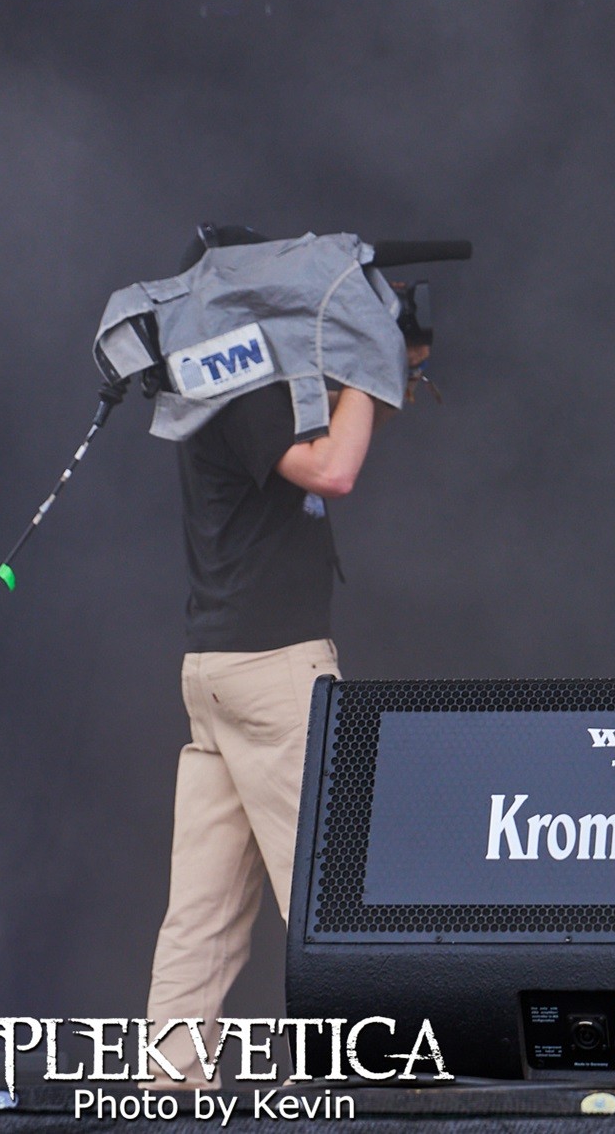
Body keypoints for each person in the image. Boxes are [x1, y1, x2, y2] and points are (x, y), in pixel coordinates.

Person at [143, 229, 428, 1084]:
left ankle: (171, 1077)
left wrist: (382, 363)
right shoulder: (239, 379)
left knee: (203, 910)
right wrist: (372, 360)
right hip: (272, 671)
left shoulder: (218, 374)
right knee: (331, 887)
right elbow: (333, 470)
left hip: (219, 672)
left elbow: (323, 438)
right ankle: (354, 1075)